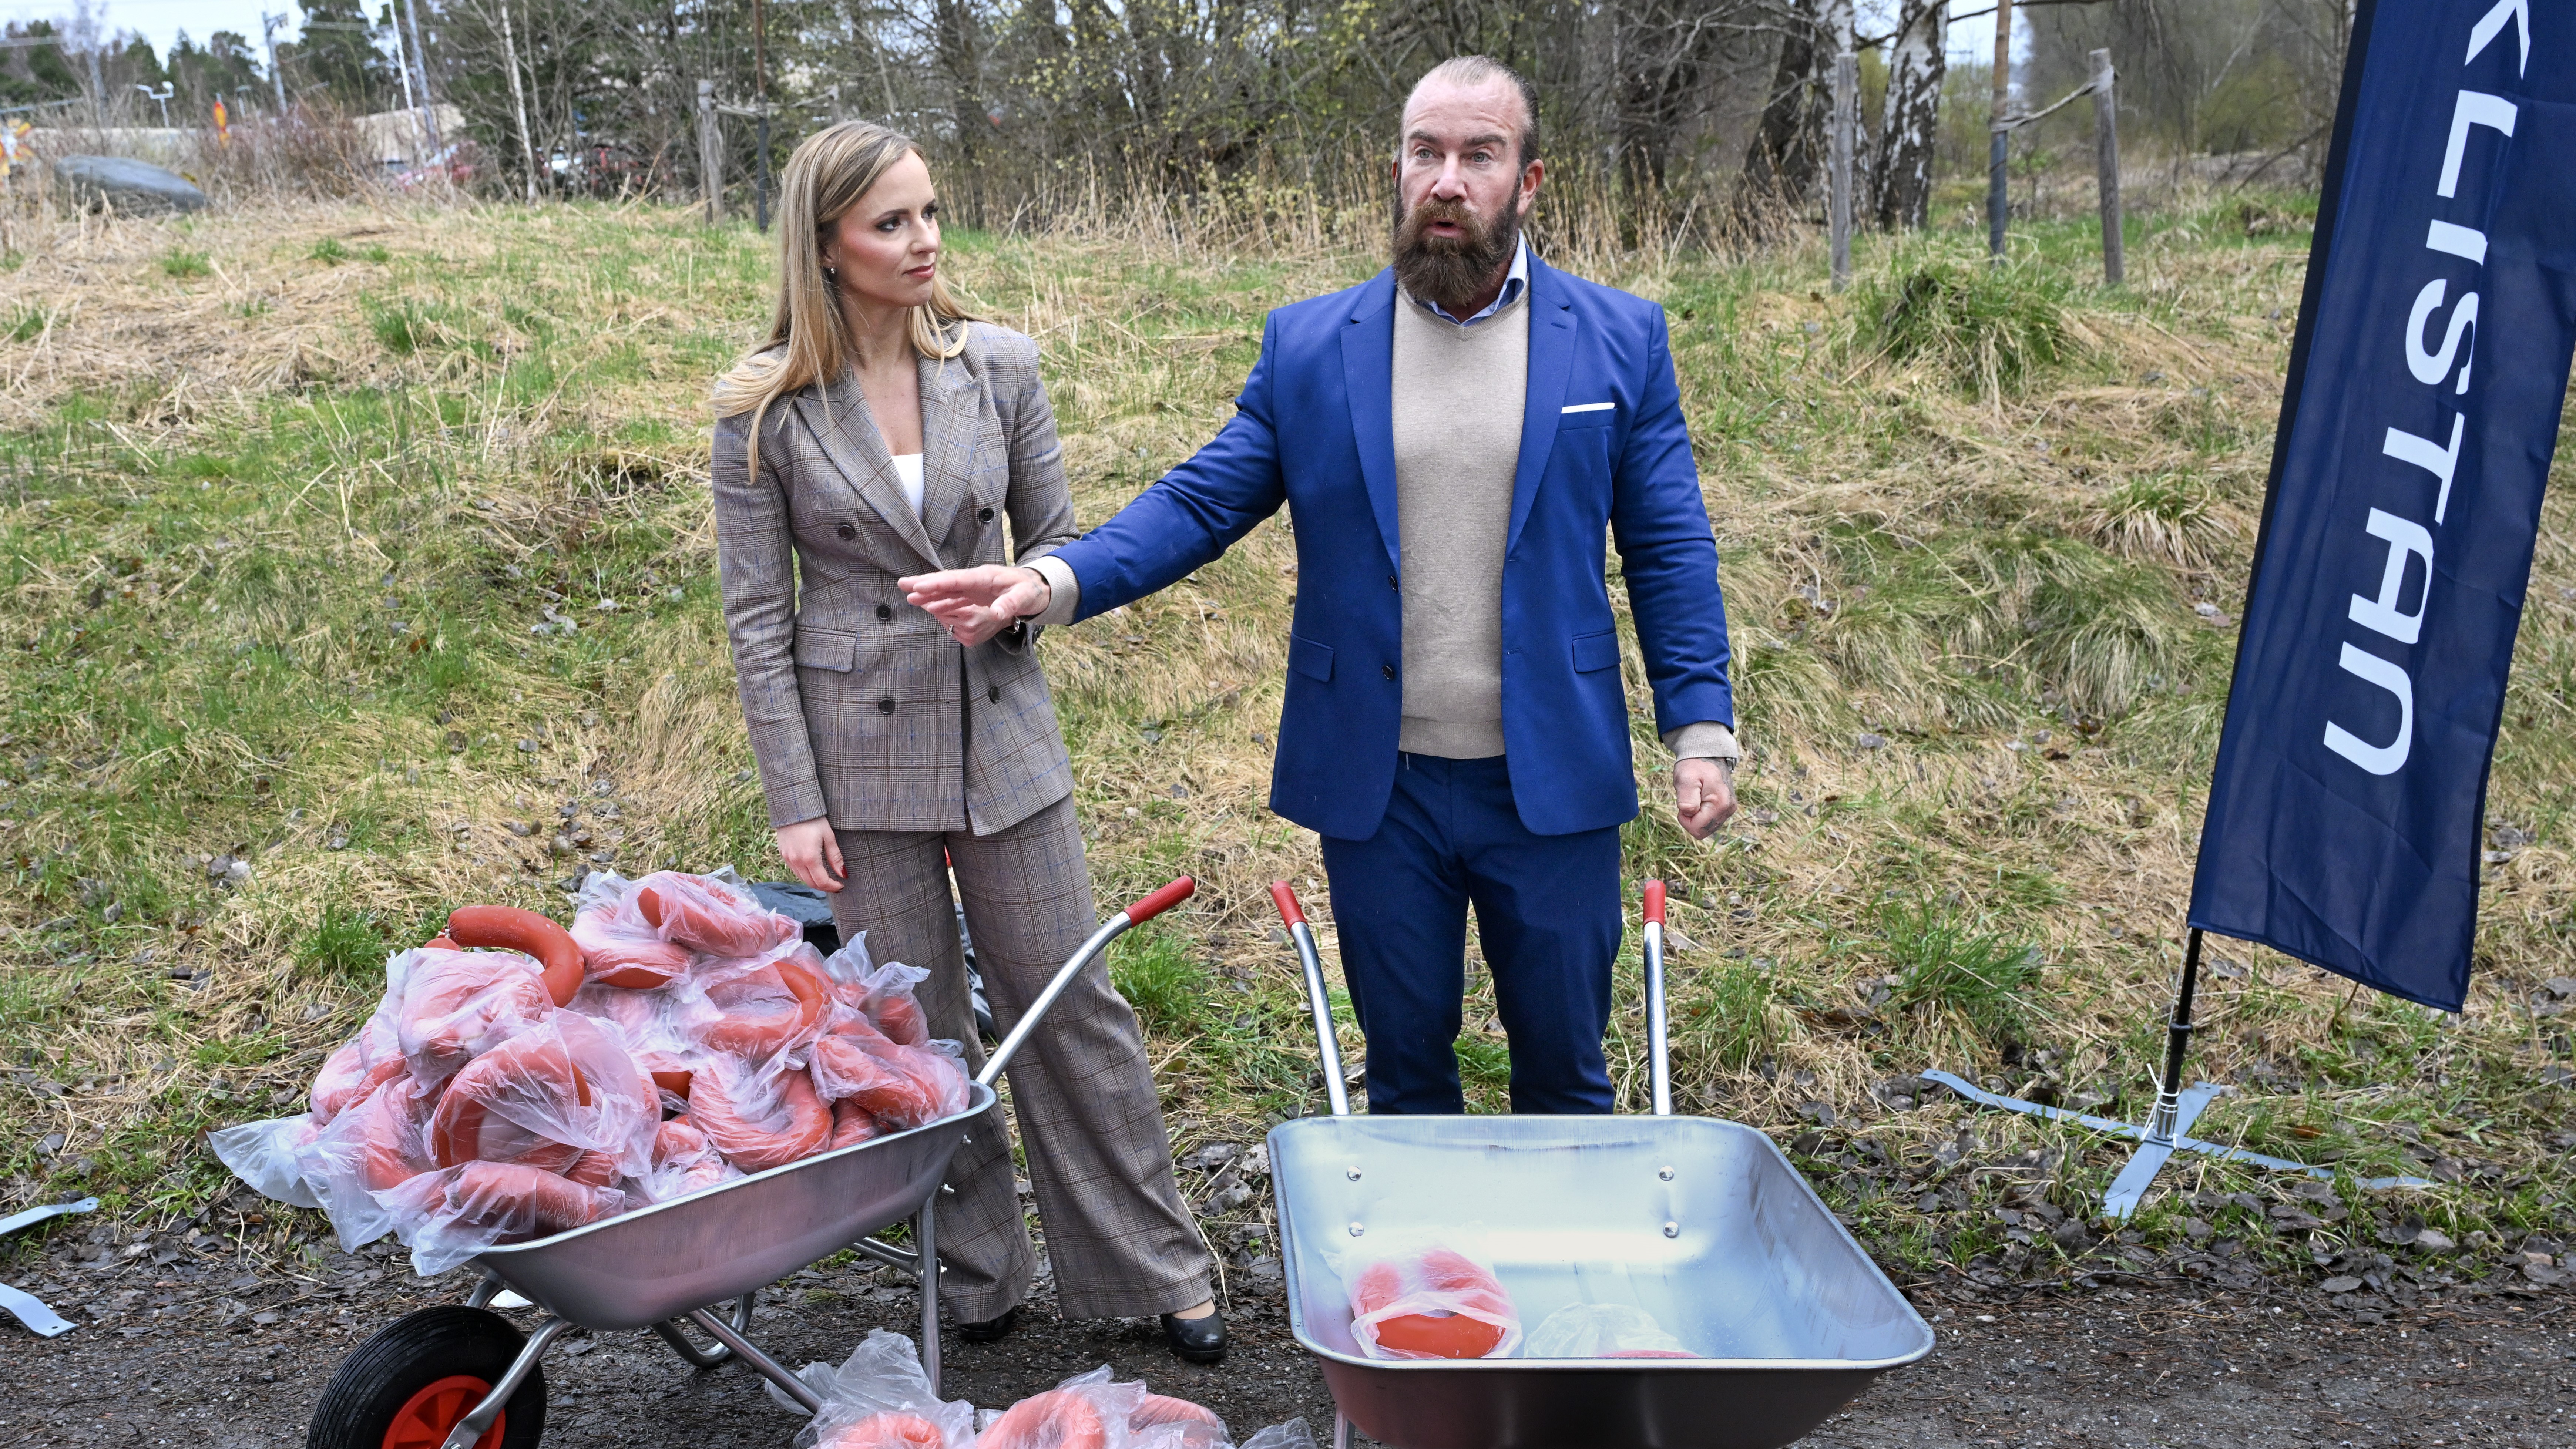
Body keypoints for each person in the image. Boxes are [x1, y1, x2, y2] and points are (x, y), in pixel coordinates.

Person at [902, 57, 1739, 1118]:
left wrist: (1698, 726)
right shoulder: (1310, 346)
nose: (1446, 179)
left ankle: (1558, 1286)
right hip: (1377, 785)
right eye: (1424, 152)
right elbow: (1202, 502)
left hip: (1553, 783)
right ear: (1393, 169)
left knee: (1568, 1078)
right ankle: (1425, 1286)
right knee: (1404, 1078)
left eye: (1478, 155)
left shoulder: (1619, 339)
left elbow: (1668, 545)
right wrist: (1049, 578)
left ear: (1528, 183)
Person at [707, 121, 1226, 1362]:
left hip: (999, 734)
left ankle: (1155, 1266)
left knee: (1073, 1006)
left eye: (931, 213)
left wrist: (1025, 589)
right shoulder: (761, 409)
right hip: (854, 757)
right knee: (913, 1026)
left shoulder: (1000, 365)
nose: (925, 240)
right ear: (825, 245)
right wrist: (794, 796)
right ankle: (978, 1270)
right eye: (891, 223)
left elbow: (1062, 546)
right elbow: (755, 621)